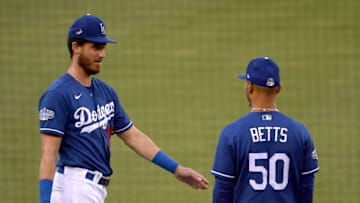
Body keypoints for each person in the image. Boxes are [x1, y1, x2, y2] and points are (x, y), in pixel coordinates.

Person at [38, 14, 208, 203]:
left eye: (103, 47)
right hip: (73, 187)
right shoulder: (58, 94)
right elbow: (48, 155)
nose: (102, 54)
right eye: (95, 47)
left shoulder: (105, 92)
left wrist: (176, 169)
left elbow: (133, 136)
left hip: (93, 189)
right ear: (76, 47)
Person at [211, 56, 319, 203]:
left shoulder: (231, 134)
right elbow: (306, 189)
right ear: (279, 88)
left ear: (249, 86)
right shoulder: (300, 133)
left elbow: (223, 191)